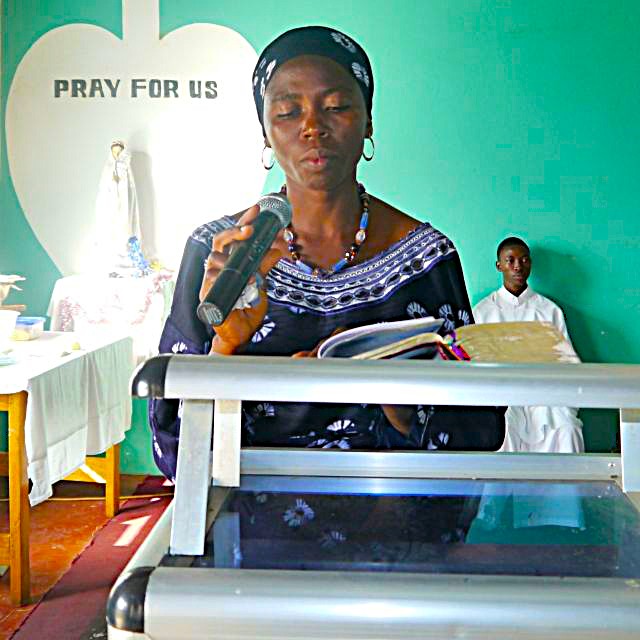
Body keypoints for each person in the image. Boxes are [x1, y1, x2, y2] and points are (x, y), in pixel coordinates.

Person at [149, 26, 504, 483]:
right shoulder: (218, 254)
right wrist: (226, 346)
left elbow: (479, 430)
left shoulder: (428, 259)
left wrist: (401, 404)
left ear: (368, 122)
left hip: (400, 515)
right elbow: (174, 448)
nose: (313, 127)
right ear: (265, 133)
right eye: (287, 111)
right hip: (250, 518)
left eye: (335, 107)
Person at [473, 237, 584, 453]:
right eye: (510, 260)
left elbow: (568, 364)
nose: (518, 266)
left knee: (567, 427)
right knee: (502, 429)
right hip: (501, 396)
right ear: (499, 265)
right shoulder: (482, 312)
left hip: (543, 393)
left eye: (524, 260)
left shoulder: (549, 310)